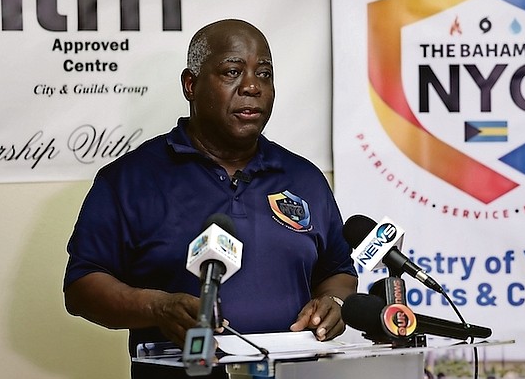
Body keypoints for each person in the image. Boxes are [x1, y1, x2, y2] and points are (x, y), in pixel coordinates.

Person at [63, 19, 358, 378]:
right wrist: (157, 307)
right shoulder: (130, 179)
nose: (251, 86)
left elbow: (338, 271)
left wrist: (334, 302)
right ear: (191, 85)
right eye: (232, 71)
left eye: (264, 74)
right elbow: (81, 287)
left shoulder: (304, 178)